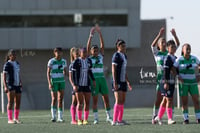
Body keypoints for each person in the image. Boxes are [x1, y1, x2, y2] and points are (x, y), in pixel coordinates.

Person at [151, 27, 180, 124]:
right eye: (162, 42)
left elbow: (177, 45)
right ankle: (155, 116)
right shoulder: (157, 54)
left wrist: (174, 35)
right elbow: (152, 46)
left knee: (167, 98)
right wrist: (159, 35)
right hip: (161, 79)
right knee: (159, 99)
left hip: (169, 78)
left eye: (164, 42)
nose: (164, 43)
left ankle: (166, 117)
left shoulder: (169, 53)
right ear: (159, 45)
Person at [87, 26, 112, 124]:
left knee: (106, 98)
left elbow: (102, 46)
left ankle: (109, 116)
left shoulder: (101, 56)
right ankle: (96, 118)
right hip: (94, 80)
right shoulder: (89, 58)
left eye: (97, 50)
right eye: (94, 50)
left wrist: (100, 34)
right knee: (95, 100)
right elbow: (88, 47)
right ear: (91, 51)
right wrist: (91, 35)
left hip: (102, 79)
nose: (96, 52)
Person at [174, 44, 200, 124]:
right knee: (184, 102)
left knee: (196, 101)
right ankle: (186, 119)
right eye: (186, 49)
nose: (188, 50)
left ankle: (198, 118)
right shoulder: (179, 59)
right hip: (183, 84)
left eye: (189, 49)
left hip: (193, 83)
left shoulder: (194, 58)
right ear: (183, 50)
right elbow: (173, 68)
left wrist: (199, 75)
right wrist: (178, 76)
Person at [71, 47, 96, 125]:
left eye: (86, 52)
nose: (85, 54)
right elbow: (73, 75)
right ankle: (79, 119)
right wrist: (75, 84)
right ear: (80, 53)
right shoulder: (76, 61)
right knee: (80, 102)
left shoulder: (89, 61)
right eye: (83, 52)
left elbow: (90, 72)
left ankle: (85, 119)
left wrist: (93, 80)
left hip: (87, 84)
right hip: (79, 85)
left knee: (87, 102)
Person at [155, 40, 177, 125]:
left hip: (172, 81)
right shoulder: (167, 58)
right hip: (166, 81)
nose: (174, 48)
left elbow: (175, 70)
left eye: (174, 47)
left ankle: (158, 117)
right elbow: (165, 72)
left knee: (165, 100)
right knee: (169, 100)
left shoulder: (174, 58)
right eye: (172, 47)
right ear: (168, 48)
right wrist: (166, 82)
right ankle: (170, 119)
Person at [111, 39, 132, 126]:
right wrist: (115, 82)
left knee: (122, 101)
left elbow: (124, 70)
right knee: (118, 100)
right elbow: (113, 69)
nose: (124, 47)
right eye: (122, 46)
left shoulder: (125, 56)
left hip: (123, 81)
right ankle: (114, 121)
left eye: (125, 46)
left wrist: (128, 82)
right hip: (118, 81)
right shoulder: (116, 55)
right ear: (118, 47)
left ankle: (120, 120)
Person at [47, 47, 67, 122]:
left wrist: (67, 73)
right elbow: (48, 73)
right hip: (54, 81)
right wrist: (49, 83)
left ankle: (60, 117)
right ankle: (53, 116)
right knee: (54, 98)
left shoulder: (64, 61)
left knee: (60, 99)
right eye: (57, 52)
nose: (59, 54)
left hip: (61, 81)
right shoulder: (51, 61)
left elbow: (65, 71)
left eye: (60, 52)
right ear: (54, 53)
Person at [3, 49, 22, 124]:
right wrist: (5, 86)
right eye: (13, 55)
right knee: (10, 102)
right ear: (9, 56)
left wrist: (20, 82)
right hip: (10, 84)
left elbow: (18, 74)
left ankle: (16, 118)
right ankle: (9, 119)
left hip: (18, 85)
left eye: (15, 54)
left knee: (18, 102)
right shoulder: (7, 64)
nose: (14, 56)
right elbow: (4, 76)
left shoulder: (17, 63)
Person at [69, 47, 80, 125]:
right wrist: (73, 85)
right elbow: (70, 77)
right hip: (76, 85)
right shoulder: (72, 64)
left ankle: (79, 118)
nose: (77, 55)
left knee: (81, 102)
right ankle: (73, 119)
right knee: (74, 102)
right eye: (76, 54)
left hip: (82, 84)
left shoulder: (81, 62)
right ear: (73, 55)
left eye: (78, 53)